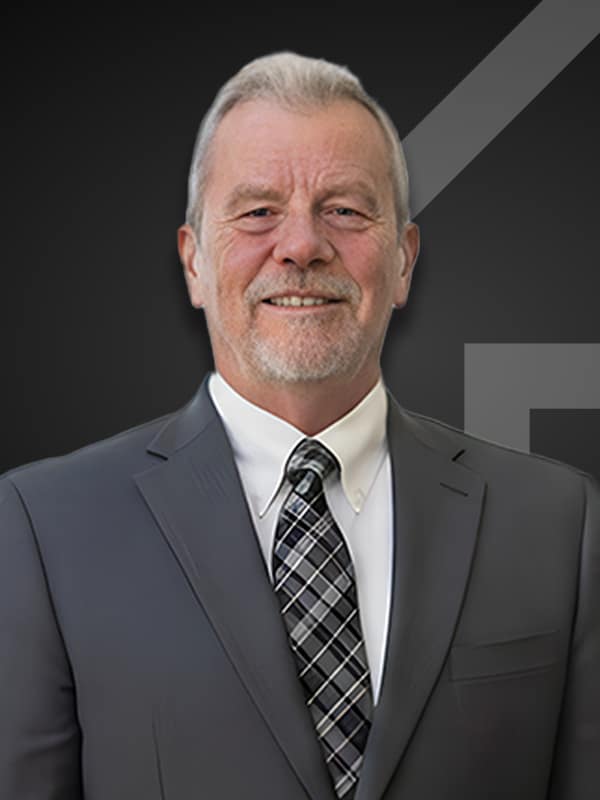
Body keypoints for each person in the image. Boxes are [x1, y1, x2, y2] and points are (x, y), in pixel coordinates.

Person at [0, 51, 598, 800]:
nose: (302, 245)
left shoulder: (558, 521)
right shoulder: (44, 527)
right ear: (194, 263)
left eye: (344, 210)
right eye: (258, 211)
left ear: (404, 261)